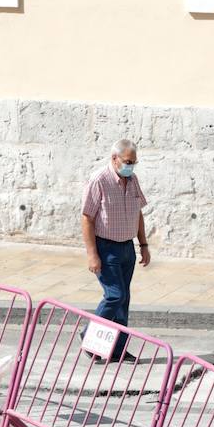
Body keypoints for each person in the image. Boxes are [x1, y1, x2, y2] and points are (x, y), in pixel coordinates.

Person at [80, 138, 150, 363]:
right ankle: (88, 336)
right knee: (115, 296)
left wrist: (143, 244)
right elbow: (87, 218)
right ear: (115, 158)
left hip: (127, 248)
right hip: (106, 247)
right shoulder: (99, 180)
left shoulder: (132, 179)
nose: (131, 166)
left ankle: (118, 349)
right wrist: (92, 254)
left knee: (124, 299)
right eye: (128, 161)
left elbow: (138, 212)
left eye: (134, 162)